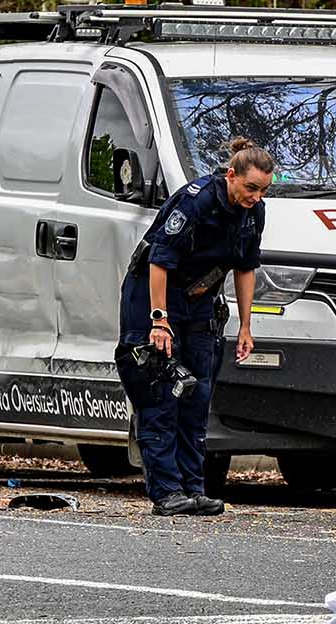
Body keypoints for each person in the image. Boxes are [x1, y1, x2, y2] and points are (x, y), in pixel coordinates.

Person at [115, 138, 271, 516]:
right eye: (250, 187)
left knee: (196, 396)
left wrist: (247, 325)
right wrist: (159, 320)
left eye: (264, 190)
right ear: (230, 175)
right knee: (161, 394)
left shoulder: (254, 211)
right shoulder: (196, 200)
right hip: (154, 299)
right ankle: (166, 492)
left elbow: (246, 268)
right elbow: (159, 260)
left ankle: (192, 488)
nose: (256, 196)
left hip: (200, 303)